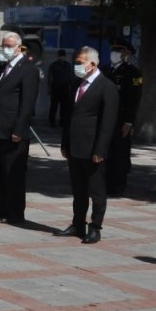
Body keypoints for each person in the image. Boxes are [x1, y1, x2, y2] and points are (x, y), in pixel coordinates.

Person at [54, 47, 118, 244]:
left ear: (92, 64)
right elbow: (69, 117)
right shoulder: (76, 84)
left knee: (96, 190)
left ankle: (95, 227)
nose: (77, 65)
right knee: (78, 190)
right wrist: (65, 143)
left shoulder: (106, 86)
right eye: (77, 61)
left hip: (93, 149)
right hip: (75, 147)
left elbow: (108, 122)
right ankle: (78, 224)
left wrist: (100, 149)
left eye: (81, 62)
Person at [0, 31, 39, 224]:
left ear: (19, 47)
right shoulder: (5, 67)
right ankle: (1, 207)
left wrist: (19, 129)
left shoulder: (28, 69)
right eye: (4, 45)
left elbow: (27, 103)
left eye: (9, 45)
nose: (5, 49)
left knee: (14, 174)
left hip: (13, 131)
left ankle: (16, 212)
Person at [103, 39, 141, 197]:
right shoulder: (105, 70)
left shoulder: (133, 73)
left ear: (126, 55)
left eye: (119, 51)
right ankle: (105, 183)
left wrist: (129, 121)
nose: (115, 54)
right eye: (113, 50)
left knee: (120, 154)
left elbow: (134, 99)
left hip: (121, 120)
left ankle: (118, 185)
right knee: (106, 152)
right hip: (105, 119)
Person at [46, 49, 73, 128]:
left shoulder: (68, 65)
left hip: (65, 89)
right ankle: (52, 122)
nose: (62, 58)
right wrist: (49, 88)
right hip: (55, 88)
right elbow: (50, 77)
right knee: (53, 106)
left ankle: (62, 122)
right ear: (58, 56)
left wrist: (70, 88)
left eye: (63, 56)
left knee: (64, 107)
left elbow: (70, 77)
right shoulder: (54, 65)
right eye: (61, 56)